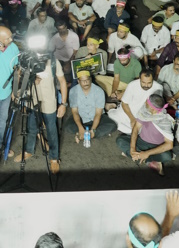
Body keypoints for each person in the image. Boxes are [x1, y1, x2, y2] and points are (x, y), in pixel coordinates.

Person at [13, 44, 67, 175]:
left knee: (51, 130)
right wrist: (30, 81)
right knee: (31, 127)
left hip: (49, 101)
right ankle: (28, 150)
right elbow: (19, 77)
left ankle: (54, 158)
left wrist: (63, 104)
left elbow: (62, 81)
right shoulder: (28, 60)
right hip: (32, 99)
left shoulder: (53, 61)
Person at [117, 93, 174, 175]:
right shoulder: (145, 111)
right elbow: (136, 128)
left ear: (153, 109)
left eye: (147, 103)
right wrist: (132, 148)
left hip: (156, 146)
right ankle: (144, 158)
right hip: (141, 141)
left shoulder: (164, 121)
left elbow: (169, 145)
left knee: (167, 156)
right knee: (120, 140)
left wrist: (147, 153)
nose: (144, 103)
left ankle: (136, 156)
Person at [68, 70, 117, 142]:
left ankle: (87, 133)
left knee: (112, 125)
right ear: (78, 81)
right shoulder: (73, 91)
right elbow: (75, 112)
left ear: (90, 79)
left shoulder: (99, 91)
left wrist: (93, 129)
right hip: (81, 116)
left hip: (96, 117)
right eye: (83, 80)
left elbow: (98, 113)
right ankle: (87, 132)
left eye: (87, 79)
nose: (85, 82)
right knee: (68, 126)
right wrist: (80, 127)